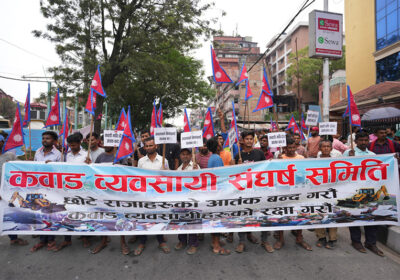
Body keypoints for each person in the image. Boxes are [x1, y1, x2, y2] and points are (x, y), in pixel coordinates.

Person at [343, 130, 384, 257]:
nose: (363, 142)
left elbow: (378, 169)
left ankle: (371, 243)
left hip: (368, 190)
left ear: (368, 141)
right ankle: (356, 241)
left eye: (366, 140)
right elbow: (341, 171)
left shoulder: (372, 154)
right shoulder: (348, 153)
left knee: (370, 216)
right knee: (355, 215)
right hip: (353, 190)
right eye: (361, 140)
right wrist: (349, 158)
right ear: (355, 142)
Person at [233, 131, 271, 253]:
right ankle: (242, 241)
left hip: (259, 191)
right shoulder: (238, 155)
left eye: (251, 139)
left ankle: (265, 240)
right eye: (247, 139)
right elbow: (233, 175)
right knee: (243, 216)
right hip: (244, 192)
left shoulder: (259, 153)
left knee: (263, 216)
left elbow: (266, 169)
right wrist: (237, 166)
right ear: (242, 140)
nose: (249, 141)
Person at [90, 145, 132, 255]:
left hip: (118, 192)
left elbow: (127, 172)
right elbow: (93, 171)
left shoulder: (120, 157)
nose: (106, 146)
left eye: (109, 143)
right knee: (104, 216)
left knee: (120, 217)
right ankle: (103, 241)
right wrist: (88, 164)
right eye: (105, 143)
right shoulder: (100, 157)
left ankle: (123, 242)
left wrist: (119, 167)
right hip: (104, 192)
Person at [53, 133, 89, 252]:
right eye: (70, 145)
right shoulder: (66, 155)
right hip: (67, 190)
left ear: (79, 143)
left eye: (74, 145)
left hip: (82, 190)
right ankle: (67, 238)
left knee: (82, 213)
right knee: (67, 213)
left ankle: (84, 236)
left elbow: (92, 172)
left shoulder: (86, 155)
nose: (72, 147)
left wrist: (90, 164)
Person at [275, 137, 312, 251]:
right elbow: (274, 174)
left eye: (293, 147)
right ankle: (281, 239)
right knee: (282, 214)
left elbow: (305, 173)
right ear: (285, 148)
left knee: (299, 213)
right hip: (283, 190)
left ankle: (299, 237)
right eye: (288, 147)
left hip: (297, 190)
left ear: (296, 147)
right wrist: (277, 161)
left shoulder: (301, 158)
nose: (291, 150)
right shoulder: (280, 157)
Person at [135, 136, 170, 255]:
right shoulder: (141, 162)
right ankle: (142, 242)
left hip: (158, 196)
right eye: (147, 146)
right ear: (144, 147)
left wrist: (165, 172)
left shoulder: (163, 161)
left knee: (158, 218)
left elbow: (168, 179)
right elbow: (137, 179)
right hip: (144, 195)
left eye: (151, 145)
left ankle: (161, 241)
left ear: (156, 146)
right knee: (143, 219)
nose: (149, 148)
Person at [31, 131, 61, 252]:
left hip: (52, 189)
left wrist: (52, 166)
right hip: (39, 187)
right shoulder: (38, 153)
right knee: (40, 213)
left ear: (54, 141)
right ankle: (42, 239)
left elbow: (62, 171)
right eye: (43, 138)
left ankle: (51, 239)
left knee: (50, 214)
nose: (44, 140)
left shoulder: (58, 154)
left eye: (47, 138)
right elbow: (33, 168)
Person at [0, 133, 28, 247]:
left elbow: (19, 168)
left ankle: (13, 238)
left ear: (2, 142)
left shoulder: (10, 155)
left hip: (8, 191)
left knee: (10, 214)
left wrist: (29, 163)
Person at [206, 137, 230, 255]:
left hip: (214, 191)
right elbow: (220, 176)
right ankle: (216, 245)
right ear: (217, 147)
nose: (222, 144)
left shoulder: (213, 158)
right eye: (220, 143)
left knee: (215, 217)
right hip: (217, 192)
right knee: (216, 218)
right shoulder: (217, 158)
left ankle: (215, 241)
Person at [175, 148, 200, 255]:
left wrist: (196, 171)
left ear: (191, 156)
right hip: (181, 200)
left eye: (187, 154)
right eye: (183, 154)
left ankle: (193, 244)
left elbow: (200, 181)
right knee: (181, 221)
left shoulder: (195, 166)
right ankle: (182, 241)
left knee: (192, 222)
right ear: (180, 156)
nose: (185, 156)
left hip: (193, 200)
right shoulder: (178, 170)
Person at [315, 139, 338, 249]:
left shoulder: (336, 162)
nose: (326, 148)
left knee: (332, 214)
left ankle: (332, 239)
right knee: (319, 214)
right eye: (323, 146)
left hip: (332, 192)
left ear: (331, 148)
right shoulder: (313, 162)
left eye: (328, 146)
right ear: (319, 148)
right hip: (318, 193)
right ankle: (321, 237)